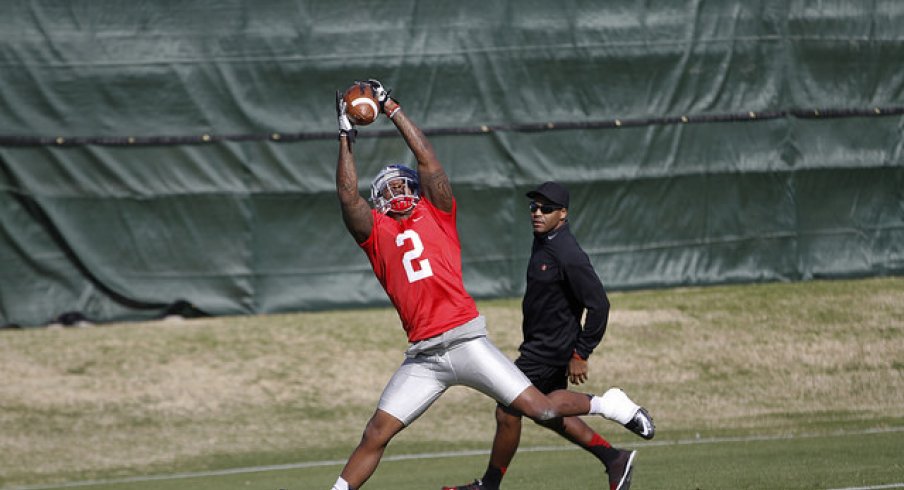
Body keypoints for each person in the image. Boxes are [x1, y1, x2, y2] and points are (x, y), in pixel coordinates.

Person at [329, 79, 654, 490]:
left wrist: (392, 108)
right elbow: (346, 197)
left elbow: (428, 163)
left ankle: (610, 404)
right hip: (424, 357)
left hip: (466, 341)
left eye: (401, 183)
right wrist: (345, 133)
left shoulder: (438, 212)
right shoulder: (374, 233)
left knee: (542, 410)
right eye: (387, 188)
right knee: (375, 433)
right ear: (377, 200)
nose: (396, 190)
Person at [441, 182, 654, 490]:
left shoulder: (567, 253)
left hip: (548, 351)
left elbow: (599, 305)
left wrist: (581, 353)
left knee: (508, 409)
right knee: (548, 413)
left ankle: (608, 404)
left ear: (563, 214)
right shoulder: (543, 240)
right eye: (534, 208)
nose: (537, 214)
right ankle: (614, 461)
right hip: (539, 345)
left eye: (546, 209)